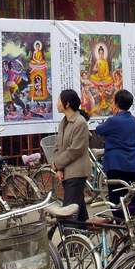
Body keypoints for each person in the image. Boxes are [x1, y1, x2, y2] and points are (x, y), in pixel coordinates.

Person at [95, 89, 135, 218]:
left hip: (116, 165)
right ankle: (134, 220)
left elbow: (99, 130)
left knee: (116, 198)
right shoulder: (133, 120)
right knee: (132, 195)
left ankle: (121, 223)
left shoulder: (113, 121)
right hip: (132, 164)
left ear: (116, 103)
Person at [53, 89, 90, 222]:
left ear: (67, 104)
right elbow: (58, 147)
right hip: (66, 171)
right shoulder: (64, 122)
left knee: (67, 213)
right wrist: (58, 168)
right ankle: (85, 231)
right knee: (79, 211)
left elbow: (75, 150)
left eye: (59, 100)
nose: (57, 103)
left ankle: (70, 235)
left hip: (76, 173)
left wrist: (57, 164)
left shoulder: (80, 122)